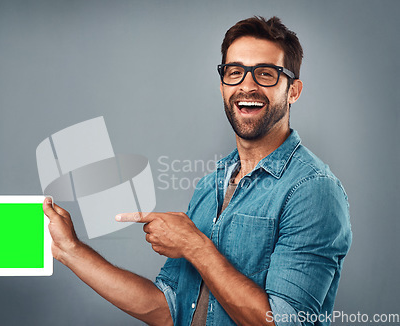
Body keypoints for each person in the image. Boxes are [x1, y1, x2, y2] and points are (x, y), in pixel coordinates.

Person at [43, 16, 352, 326]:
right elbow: (167, 310)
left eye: (265, 74)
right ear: (222, 86)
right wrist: (70, 249)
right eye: (235, 72)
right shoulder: (211, 185)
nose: (247, 85)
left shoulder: (312, 190)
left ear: (293, 91)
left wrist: (194, 245)